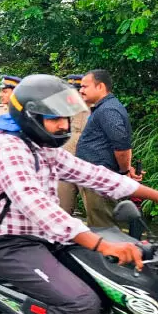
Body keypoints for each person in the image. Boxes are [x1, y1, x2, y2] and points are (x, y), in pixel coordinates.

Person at [0, 74, 158, 314]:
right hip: (2, 243)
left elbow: (95, 175)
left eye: (66, 117)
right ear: (30, 117)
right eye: (54, 118)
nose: (64, 125)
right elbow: (38, 207)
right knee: (80, 304)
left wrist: (154, 195)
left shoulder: (42, 147)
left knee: (110, 283)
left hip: (41, 237)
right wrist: (103, 245)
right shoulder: (8, 149)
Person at [76, 69, 142, 228]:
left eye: (85, 86)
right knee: (99, 224)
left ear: (100, 87)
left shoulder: (108, 110)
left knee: (103, 227)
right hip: (96, 176)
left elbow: (122, 145)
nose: (81, 90)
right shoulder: (104, 107)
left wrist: (125, 172)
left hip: (100, 179)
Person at [57, 74, 90, 215]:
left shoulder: (96, 109)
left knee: (94, 211)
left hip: (88, 165)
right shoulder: (60, 111)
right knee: (62, 209)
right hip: (64, 165)